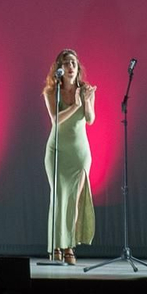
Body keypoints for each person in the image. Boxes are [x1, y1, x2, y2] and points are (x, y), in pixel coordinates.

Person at [42, 48, 96, 264]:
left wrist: (87, 102)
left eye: (73, 63)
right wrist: (75, 105)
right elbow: (56, 119)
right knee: (58, 198)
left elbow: (90, 119)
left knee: (73, 201)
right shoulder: (51, 92)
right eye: (66, 63)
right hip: (56, 150)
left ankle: (69, 246)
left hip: (79, 153)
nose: (70, 67)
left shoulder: (85, 90)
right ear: (59, 68)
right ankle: (55, 245)